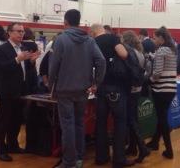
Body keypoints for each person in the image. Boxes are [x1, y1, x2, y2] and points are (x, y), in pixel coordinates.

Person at [49, 10, 106, 168]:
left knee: (67, 126)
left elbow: (54, 66)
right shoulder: (89, 40)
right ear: (79, 22)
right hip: (82, 90)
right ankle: (79, 158)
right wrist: (96, 83)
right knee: (79, 124)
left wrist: (50, 86)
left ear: (65, 22)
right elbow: (101, 61)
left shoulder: (60, 40)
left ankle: (69, 162)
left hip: (64, 89)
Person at [90, 23, 135, 168]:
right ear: (103, 30)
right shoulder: (112, 38)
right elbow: (123, 54)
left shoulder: (91, 42)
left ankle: (101, 157)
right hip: (115, 86)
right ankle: (119, 159)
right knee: (119, 123)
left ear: (93, 32)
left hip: (99, 87)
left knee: (101, 123)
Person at [0, 23, 39, 162]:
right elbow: (0, 69)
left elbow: (25, 71)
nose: (21, 34)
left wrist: (31, 62)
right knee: (3, 121)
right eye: (18, 31)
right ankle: (0, 150)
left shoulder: (24, 48)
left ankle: (13, 145)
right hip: (6, 91)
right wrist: (17, 60)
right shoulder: (1, 49)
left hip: (21, 91)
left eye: (22, 31)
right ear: (9, 33)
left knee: (16, 120)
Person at [146, 26, 177, 159]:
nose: (153, 40)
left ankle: (169, 150)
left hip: (161, 89)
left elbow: (157, 72)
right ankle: (154, 143)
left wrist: (149, 81)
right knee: (161, 117)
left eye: (155, 37)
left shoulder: (161, 50)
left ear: (161, 38)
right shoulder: (171, 49)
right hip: (170, 88)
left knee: (162, 119)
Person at [122, 30, 151, 163]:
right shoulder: (140, 52)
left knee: (131, 119)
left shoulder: (130, 53)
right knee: (133, 118)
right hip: (138, 88)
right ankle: (133, 147)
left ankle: (142, 147)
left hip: (131, 88)